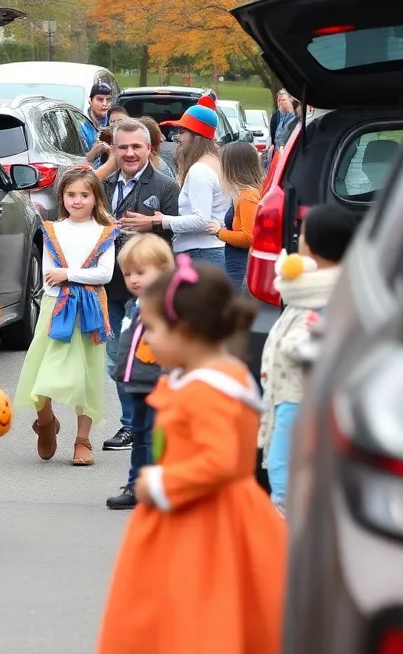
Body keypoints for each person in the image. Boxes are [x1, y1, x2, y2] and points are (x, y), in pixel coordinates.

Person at [96, 258, 286, 654]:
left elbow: (220, 460)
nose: (145, 339)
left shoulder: (208, 390)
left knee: (197, 607)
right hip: (205, 510)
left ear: (185, 331)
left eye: (152, 329)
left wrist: (162, 483)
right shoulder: (214, 376)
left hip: (205, 520)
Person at [16, 166, 119, 466]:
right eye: (71, 194)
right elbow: (50, 277)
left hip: (90, 311)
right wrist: (71, 276)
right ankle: (46, 421)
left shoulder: (104, 232)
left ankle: (82, 440)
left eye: (84, 195)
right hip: (56, 308)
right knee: (42, 372)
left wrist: (69, 274)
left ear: (96, 198)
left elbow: (104, 274)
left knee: (86, 377)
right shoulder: (53, 230)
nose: (77, 200)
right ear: (61, 197)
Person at [260, 203, 357, 515]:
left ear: (309, 245)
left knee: (283, 467)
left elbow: (319, 344)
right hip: (292, 393)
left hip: (298, 396)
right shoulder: (310, 287)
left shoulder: (325, 295)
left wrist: (294, 343)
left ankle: (288, 523)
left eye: (302, 233)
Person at [94, 120, 180, 451]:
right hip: (111, 285)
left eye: (136, 147)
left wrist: (152, 224)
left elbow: (177, 234)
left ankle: (152, 420)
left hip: (148, 289)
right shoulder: (101, 184)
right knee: (117, 357)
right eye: (123, 147)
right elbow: (73, 201)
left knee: (149, 356)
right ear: (114, 150)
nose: (129, 153)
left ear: (149, 149)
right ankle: (129, 424)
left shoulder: (166, 186)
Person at [104, 234, 175, 510]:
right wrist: (122, 373)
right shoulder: (133, 306)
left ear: (164, 270)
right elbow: (127, 344)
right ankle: (136, 487)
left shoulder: (167, 308)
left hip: (159, 384)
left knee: (156, 438)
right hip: (136, 384)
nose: (133, 279)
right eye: (128, 274)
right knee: (140, 438)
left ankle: (160, 487)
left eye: (141, 273)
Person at [119, 104, 227, 266]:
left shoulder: (200, 170)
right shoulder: (217, 164)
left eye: (182, 132)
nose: (178, 138)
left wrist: (160, 220)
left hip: (201, 253)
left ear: (196, 135)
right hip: (208, 251)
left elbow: (202, 221)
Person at [208, 142, 264, 291]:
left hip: (241, 266)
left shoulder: (247, 196)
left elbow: (248, 237)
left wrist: (219, 232)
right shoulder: (250, 193)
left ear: (232, 167)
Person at [80, 84, 115, 166]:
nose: (105, 104)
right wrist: (94, 152)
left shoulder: (114, 120)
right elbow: (79, 159)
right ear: (90, 101)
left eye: (108, 100)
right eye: (100, 100)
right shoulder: (81, 125)